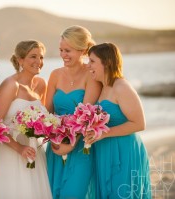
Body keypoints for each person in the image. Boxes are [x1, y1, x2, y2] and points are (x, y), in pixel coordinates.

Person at [85, 42, 151, 198]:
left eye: (92, 61)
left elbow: (140, 123)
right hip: (104, 150)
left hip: (124, 151)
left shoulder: (122, 87)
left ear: (106, 62)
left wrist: (105, 133)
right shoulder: (104, 87)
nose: (88, 66)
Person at [45, 25, 102, 199]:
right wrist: (51, 136)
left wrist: (70, 143)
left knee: (73, 193)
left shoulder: (90, 75)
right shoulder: (55, 74)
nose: (63, 55)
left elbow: (87, 116)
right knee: (54, 192)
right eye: (61, 50)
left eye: (68, 50)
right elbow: (47, 112)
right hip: (55, 146)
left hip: (80, 146)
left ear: (82, 50)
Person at [0, 40, 52, 199]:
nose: (39, 62)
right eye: (33, 56)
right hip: (11, 153)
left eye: (41, 57)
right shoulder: (11, 85)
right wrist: (19, 148)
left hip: (35, 153)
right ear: (20, 60)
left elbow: (44, 119)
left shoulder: (41, 84)